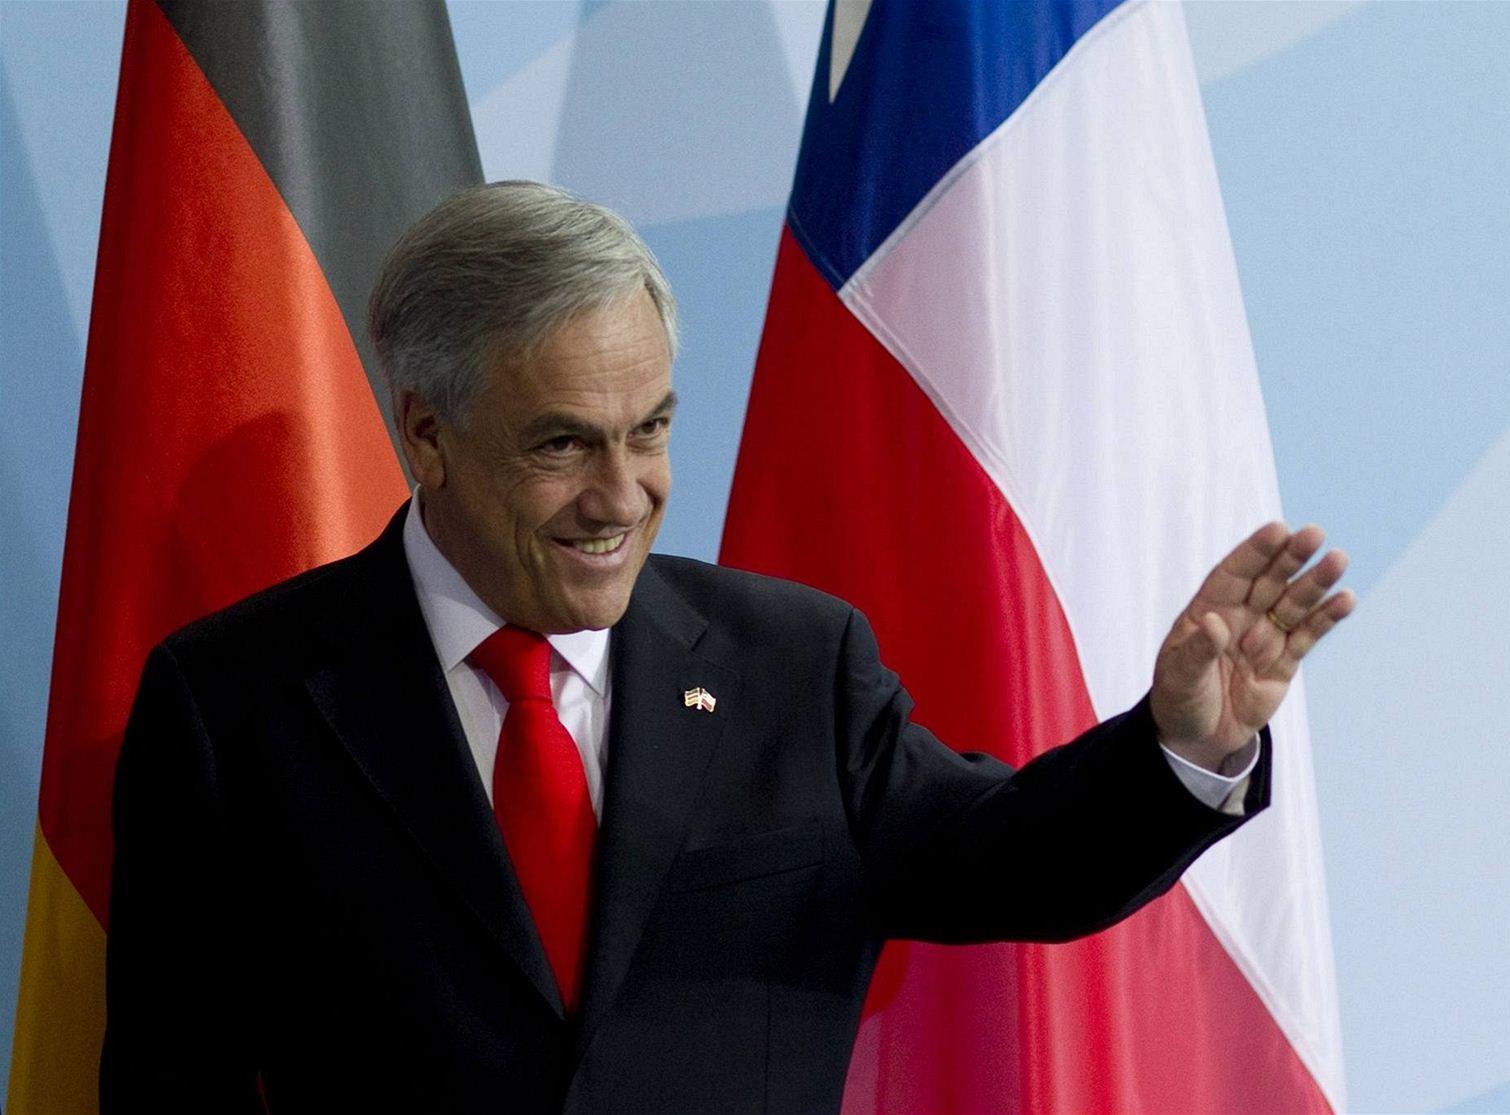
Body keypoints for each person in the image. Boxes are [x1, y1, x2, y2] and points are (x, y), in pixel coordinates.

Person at [100, 181, 1354, 1113]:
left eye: (649, 429)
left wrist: (1182, 746)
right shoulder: (236, 704)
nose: (623, 495)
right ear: (426, 433)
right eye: (562, 443)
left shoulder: (791, 664)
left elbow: (1012, 861)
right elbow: (171, 1081)